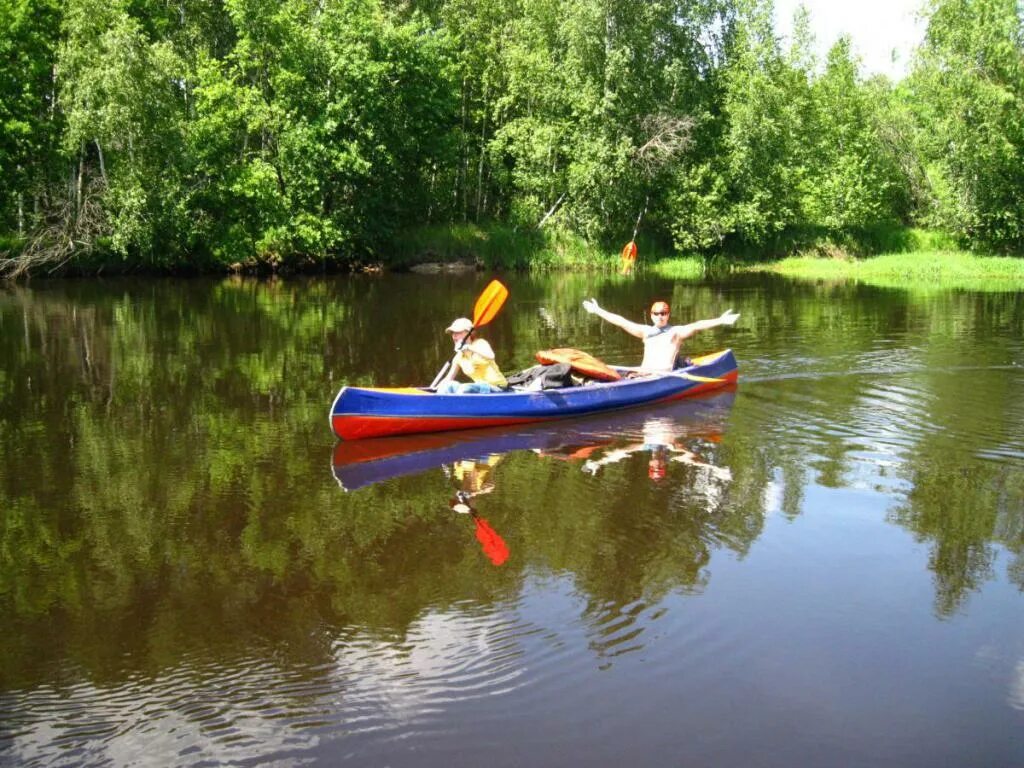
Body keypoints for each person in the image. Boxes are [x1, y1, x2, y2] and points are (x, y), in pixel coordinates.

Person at [582, 298, 739, 372]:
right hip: (643, 375)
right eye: (656, 313)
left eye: (663, 313)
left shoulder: (676, 333)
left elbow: (697, 326)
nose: (660, 316)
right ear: (651, 315)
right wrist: (597, 310)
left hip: (663, 376)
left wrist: (720, 320)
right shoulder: (645, 332)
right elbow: (621, 321)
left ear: (668, 315)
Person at [437, 317, 508, 393]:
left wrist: (468, 347)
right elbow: (449, 378)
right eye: (453, 333)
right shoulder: (458, 357)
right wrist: (436, 389)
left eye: (458, 332)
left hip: (497, 387)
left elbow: (491, 356)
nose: (454, 336)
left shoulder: (480, 343)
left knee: (465, 388)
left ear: (469, 333)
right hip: (481, 388)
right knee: (448, 386)